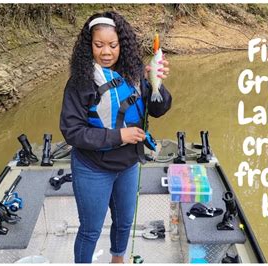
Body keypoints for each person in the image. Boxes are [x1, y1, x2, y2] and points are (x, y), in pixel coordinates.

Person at [59, 11, 172, 263]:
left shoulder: (135, 74)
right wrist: (119, 135)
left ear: (122, 44)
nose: (106, 52)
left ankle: (118, 259)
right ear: (89, 46)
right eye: (99, 45)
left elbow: (157, 109)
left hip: (129, 166)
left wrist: (157, 84)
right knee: (90, 230)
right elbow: (72, 131)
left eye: (113, 45)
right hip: (92, 167)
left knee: (124, 222)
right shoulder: (80, 82)